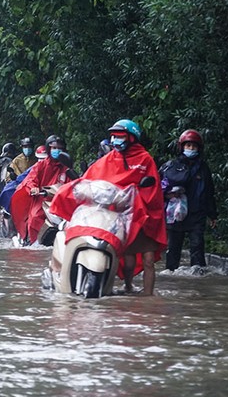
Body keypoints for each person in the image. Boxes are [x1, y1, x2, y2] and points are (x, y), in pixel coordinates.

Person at [51, 119, 166, 295]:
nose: (115, 141)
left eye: (120, 137)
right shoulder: (109, 159)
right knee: (128, 262)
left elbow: (153, 192)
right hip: (121, 218)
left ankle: (149, 297)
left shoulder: (145, 160)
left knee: (148, 260)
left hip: (143, 217)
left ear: (132, 138)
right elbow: (90, 179)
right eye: (114, 137)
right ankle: (128, 287)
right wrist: (74, 188)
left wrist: (137, 196)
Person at [159, 129, 217, 272]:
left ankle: (197, 282)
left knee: (197, 248)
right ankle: (171, 279)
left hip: (197, 214)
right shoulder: (171, 166)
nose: (191, 149)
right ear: (182, 147)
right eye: (188, 146)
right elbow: (159, 188)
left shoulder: (203, 169)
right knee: (173, 250)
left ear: (199, 148)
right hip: (176, 215)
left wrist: (213, 214)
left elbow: (209, 192)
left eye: (194, 146)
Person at [16, 135, 72, 244]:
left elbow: (72, 182)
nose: (57, 150)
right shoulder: (41, 165)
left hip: (60, 201)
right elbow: (31, 179)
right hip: (42, 200)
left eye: (59, 148)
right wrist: (34, 188)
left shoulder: (66, 167)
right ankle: (32, 244)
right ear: (48, 149)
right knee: (35, 217)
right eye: (54, 148)